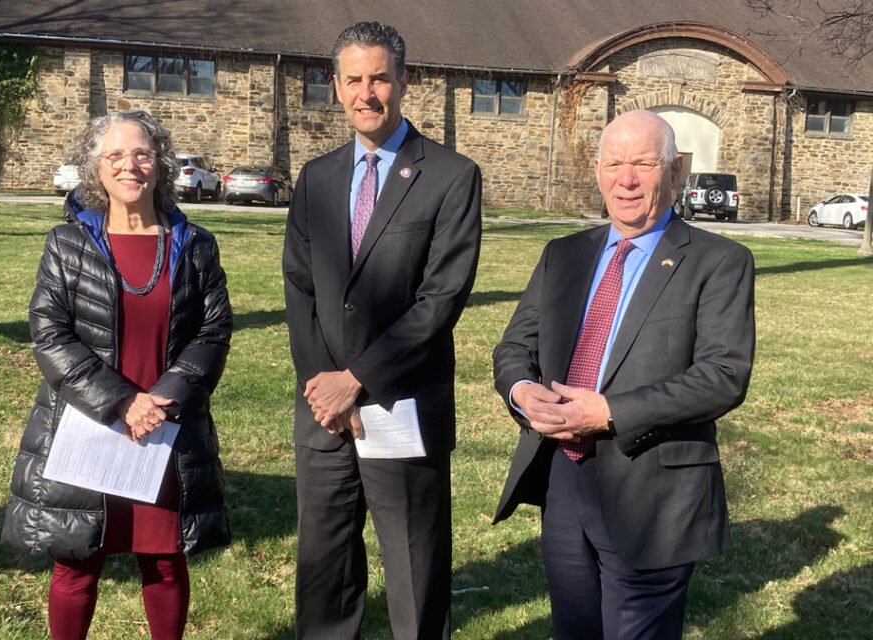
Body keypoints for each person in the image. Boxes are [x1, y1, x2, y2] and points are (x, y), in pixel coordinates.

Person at [492, 109, 755, 639]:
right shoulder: (563, 255)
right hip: (564, 477)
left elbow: (723, 374)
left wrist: (609, 412)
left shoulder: (719, 261)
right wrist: (524, 393)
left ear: (676, 171)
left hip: (653, 490)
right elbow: (515, 347)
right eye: (614, 164)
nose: (626, 179)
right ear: (597, 171)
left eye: (643, 164)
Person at [282, 21, 482, 640]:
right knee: (325, 566)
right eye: (353, 80)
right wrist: (325, 386)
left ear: (402, 82)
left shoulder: (450, 176)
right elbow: (300, 288)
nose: (366, 93)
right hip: (323, 413)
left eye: (379, 78)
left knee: (414, 567)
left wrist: (358, 380)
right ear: (336, 87)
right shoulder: (316, 178)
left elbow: (440, 298)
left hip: (400, 402)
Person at [1, 109, 233, 640]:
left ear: (161, 165)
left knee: (166, 559)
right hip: (89, 422)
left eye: (143, 154)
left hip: (166, 425)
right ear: (96, 169)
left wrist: (165, 399)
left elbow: (214, 331)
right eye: (115, 155)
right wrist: (122, 402)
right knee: (77, 561)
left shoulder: (196, 246)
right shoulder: (67, 244)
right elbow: (50, 334)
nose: (130, 166)